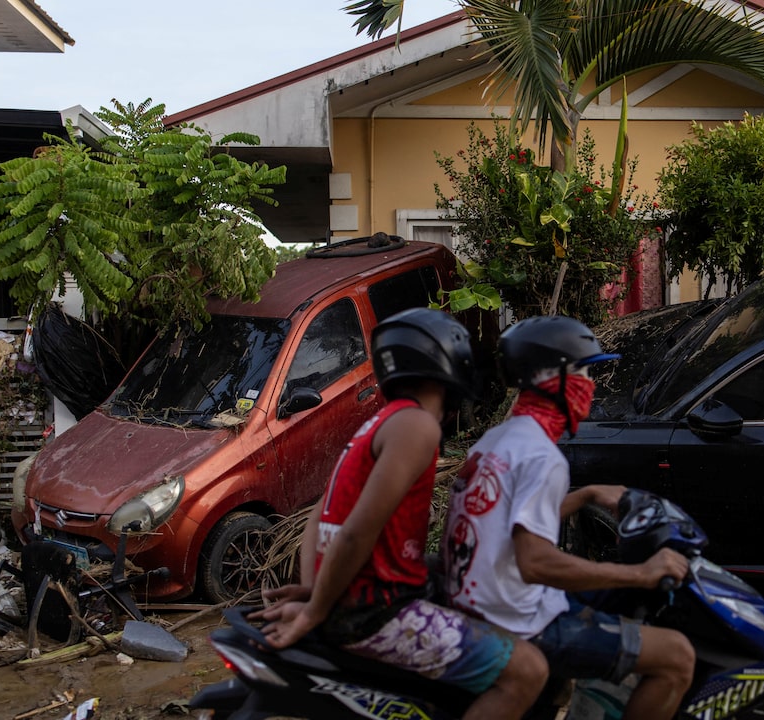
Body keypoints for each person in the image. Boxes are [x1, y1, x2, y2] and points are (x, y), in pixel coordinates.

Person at [253, 307, 548, 720]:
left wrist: (317, 589)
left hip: (356, 599)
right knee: (528, 671)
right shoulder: (417, 428)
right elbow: (356, 533)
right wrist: (317, 611)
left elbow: (320, 514)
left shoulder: (379, 424)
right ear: (447, 364)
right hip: (375, 612)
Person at [442, 314, 696, 720]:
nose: (590, 384)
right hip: (516, 619)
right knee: (677, 657)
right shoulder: (541, 456)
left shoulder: (498, 440)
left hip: (480, 601)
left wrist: (585, 497)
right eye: (582, 372)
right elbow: (535, 561)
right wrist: (641, 573)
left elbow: (506, 520)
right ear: (553, 379)